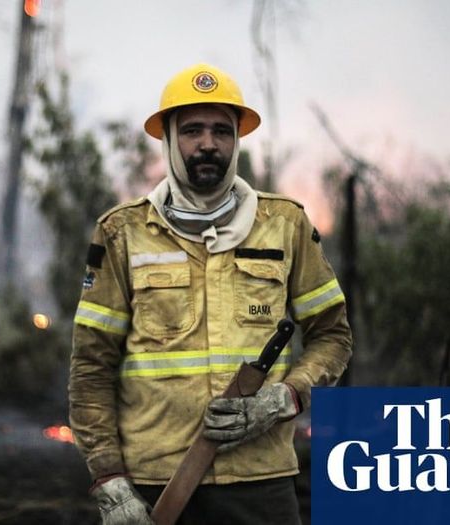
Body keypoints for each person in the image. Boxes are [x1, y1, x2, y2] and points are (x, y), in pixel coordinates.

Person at [69, 62, 353, 524]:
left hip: (260, 484)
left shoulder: (285, 225)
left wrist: (285, 397)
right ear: (169, 139)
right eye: (193, 130)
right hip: (156, 488)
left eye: (222, 131)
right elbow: (90, 367)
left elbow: (333, 337)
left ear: (237, 141)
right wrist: (110, 482)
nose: (208, 144)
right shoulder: (122, 233)